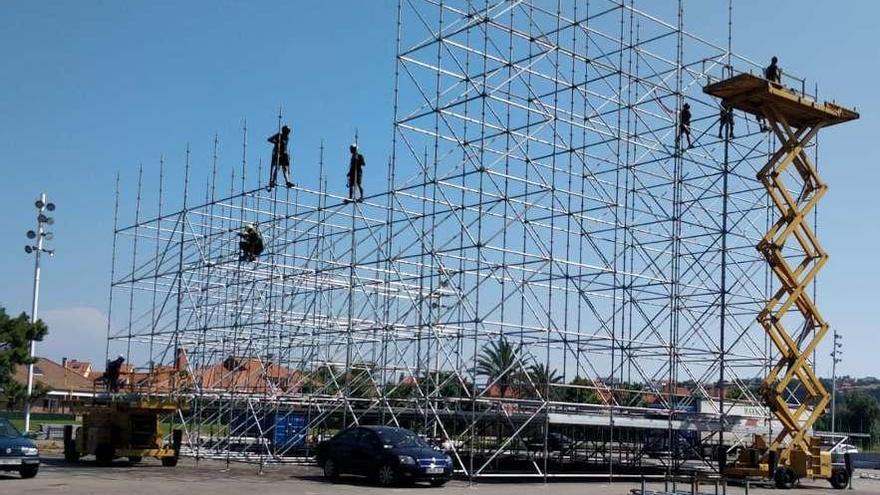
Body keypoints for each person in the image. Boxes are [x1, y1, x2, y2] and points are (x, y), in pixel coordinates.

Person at [267, 125, 294, 190]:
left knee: (285, 168)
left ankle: (287, 181)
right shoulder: (279, 135)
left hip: (284, 153)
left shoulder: (287, 137)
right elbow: (269, 139)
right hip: (278, 153)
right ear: (284, 131)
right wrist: (276, 142)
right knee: (277, 167)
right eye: (287, 131)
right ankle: (273, 180)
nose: (288, 133)